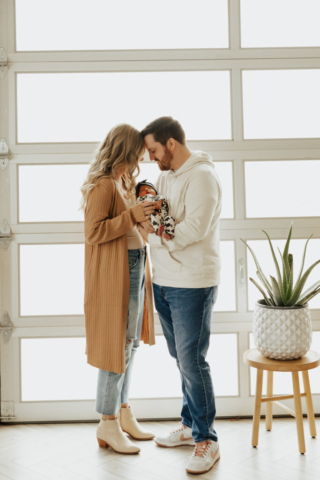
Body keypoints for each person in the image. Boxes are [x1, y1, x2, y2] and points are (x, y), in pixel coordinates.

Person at [137, 116, 222, 474]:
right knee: (180, 357)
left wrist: (151, 235)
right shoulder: (164, 177)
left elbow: (189, 231)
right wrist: (154, 231)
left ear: (171, 143)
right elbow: (160, 220)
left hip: (193, 282)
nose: (153, 159)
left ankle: (208, 440)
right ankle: (190, 427)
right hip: (165, 280)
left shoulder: (202, 177)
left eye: (155, 151)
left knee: (192, 360)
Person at [79, 123, 157, 455]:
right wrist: (133, 216)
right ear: (125, 150)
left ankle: (123, 412)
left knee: (130, 343)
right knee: (117, 347)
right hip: (118, 271)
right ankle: (107, 421)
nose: (142, 156)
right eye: (138, 151)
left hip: (136, 265)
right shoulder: (103, 186)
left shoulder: (125, 182)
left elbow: (129, 224)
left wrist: (144, 218)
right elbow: (93, 233)